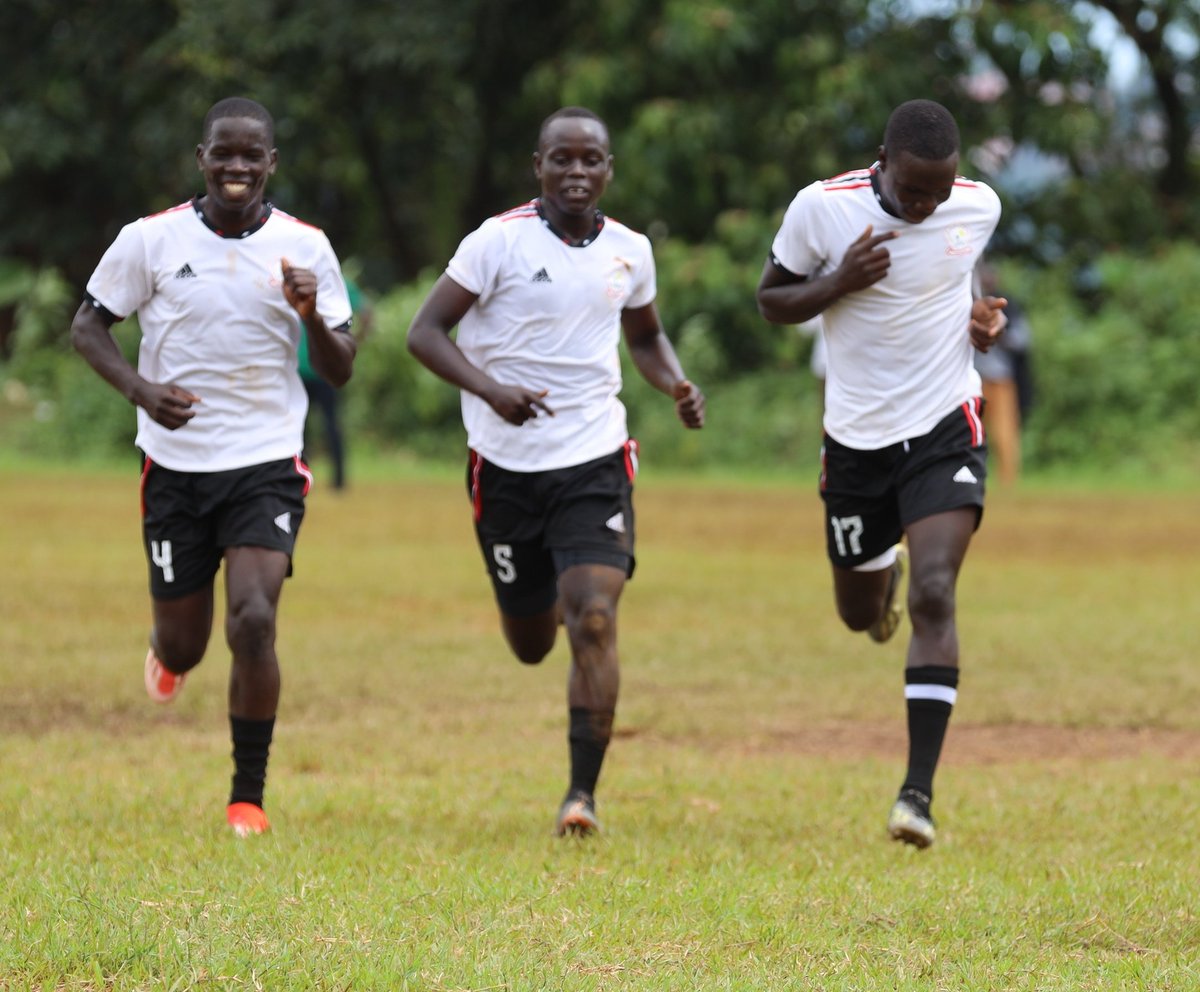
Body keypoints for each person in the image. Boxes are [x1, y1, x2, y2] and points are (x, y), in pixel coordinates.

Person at [407, 106, 705, 837]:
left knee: (595, 619)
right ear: (537, 166)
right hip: (504, 468)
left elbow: (646, 336)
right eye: (562, 160)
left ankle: (582, 796)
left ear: (609, 170)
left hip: (594, 461)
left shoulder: (631, 249)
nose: (577, 173)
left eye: (591, 161)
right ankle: (526, 608)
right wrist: (490, 390)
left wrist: (674, 383)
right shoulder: (497, 242)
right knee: (532, 640)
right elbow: (424, 332)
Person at [70, 97, 357, 838]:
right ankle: (166, 655)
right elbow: (88, 326)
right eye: (223, 154)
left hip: (265, 461)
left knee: (254, 619)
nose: (237, 167)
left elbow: (342, 368)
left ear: (271, 163)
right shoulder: (151, 240)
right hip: (174, 466)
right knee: (185, 642)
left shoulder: (307, 247)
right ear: (202, 159)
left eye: (251, 155)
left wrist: (311, 315)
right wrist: (140, 391)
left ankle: (246, 798)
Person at [755, 99, 1005, 849]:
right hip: (857, 443)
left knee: (937, 591)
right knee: (861, 614)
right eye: (912, 191)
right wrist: (838, 282)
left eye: (939, 190)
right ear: (882, 163)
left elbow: (960, 272)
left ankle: (916, 795)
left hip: (943, 427)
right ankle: (878, 579)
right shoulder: (822, 210)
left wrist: (982, 321)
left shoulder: (977, 206)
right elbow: (771, 301)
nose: (925, 206)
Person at [299, 275, 372, 490]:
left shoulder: (304, 281)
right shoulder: (337, 282)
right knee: (326, 425)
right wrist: (354, 340)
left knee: (311, 427)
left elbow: (366, 312)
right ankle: (335, 481)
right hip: (311, 368)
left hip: (318, 369)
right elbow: (366, 313)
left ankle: (318, 477)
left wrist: (350, 345)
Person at [973, 263, 1033, 486]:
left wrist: (999, 332)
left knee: (1004, 429)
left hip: (1000, 378)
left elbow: (1023, 339)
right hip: (972, 379)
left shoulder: (1009, 305)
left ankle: (1008, 479)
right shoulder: (966, 303)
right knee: (970, 430)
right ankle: (971, 474)